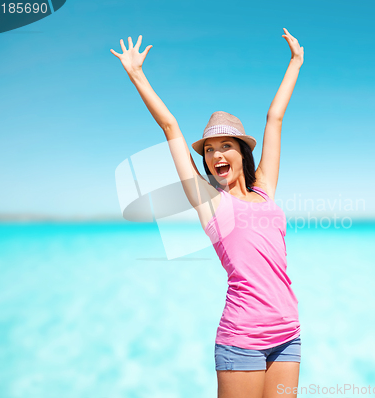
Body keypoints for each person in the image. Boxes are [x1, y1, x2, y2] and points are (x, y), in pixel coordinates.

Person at [111, 28, 304, 398]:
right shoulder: (208, 199)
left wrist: (295, 63)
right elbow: (171, 128)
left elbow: (274, 118)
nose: (216, 155)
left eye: (225, 146)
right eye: (210, 149)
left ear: (242, 152)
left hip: (288, 333)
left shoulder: (265, 189)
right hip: (242, 337)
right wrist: (137, 74)